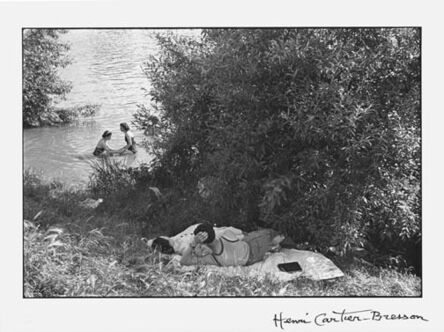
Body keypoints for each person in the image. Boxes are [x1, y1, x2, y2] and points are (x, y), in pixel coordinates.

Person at [180, 223, 285, 267]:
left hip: (249, 260)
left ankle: (273, 246)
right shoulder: (226, 234)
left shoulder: (211, 259)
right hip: (252, 247)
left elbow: (184, 261)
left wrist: (194, 244)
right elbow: (242, 234)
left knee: (249, 238)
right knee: (272, 234)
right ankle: (277, 243)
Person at [148, 224, 244, 256]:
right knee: (228, 233)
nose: (165, 236)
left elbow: (150, 243)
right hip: (205, 238)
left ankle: (241, 235)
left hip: (204, 234)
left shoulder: (174, 240)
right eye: (163, 237)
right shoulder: (180, 248)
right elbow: (192, 249)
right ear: (164, 240)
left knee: (228, 230)